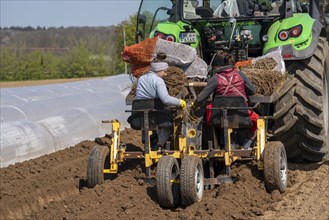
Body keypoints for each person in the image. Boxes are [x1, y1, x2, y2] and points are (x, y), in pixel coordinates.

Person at [191, 51, 258, 134]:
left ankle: (216, 141)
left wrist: (194, 106)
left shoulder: (215, 78)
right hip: (242, 115)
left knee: (207, 109)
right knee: (258, 119)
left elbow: (201, 98)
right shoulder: (240, 75)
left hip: (220, 117)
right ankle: (248, 143)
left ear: (217, 66)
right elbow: (252, 91)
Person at [135, 59, 186, 149]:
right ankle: (159, 145)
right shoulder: (158, 80)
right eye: (164, 71)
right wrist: (180, 102)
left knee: (148, 124)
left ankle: (147, 140)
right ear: (159, 70)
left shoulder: (141, 79)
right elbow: (165, 99)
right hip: (155, 113)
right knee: (168, 125)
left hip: (141, 113)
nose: (165, 74)